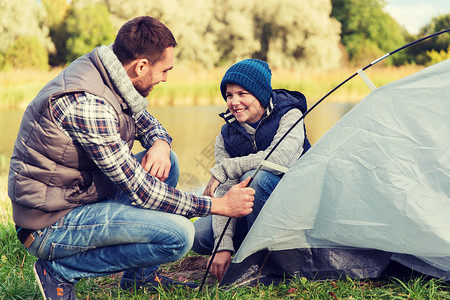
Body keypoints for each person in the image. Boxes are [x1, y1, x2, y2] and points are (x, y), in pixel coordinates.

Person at [8, 16, 255, 299]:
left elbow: (146, 122)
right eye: (165, 70)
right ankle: (60, 272)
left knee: (168, 162)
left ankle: (140, 279)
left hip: (75, 196)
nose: (165, 78)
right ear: (141, 66)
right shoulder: (89, 105)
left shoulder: (110, 73)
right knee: (179, 236)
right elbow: (143, 192)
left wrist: (161, 143)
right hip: (49, 225)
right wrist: (218, 205)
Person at [191, 59, 311, 281]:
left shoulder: (290, 114)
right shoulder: (225, 136)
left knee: (254, 178)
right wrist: (222, 246)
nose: (234, 102)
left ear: (260, 94)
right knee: (198, 235)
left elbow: (279, 158)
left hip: (295, 207)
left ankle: (268, 257)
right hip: (249, 210)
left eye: (242, 93)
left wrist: (227, 167)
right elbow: (224, 189)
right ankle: (244, 246)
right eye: (229, 95)